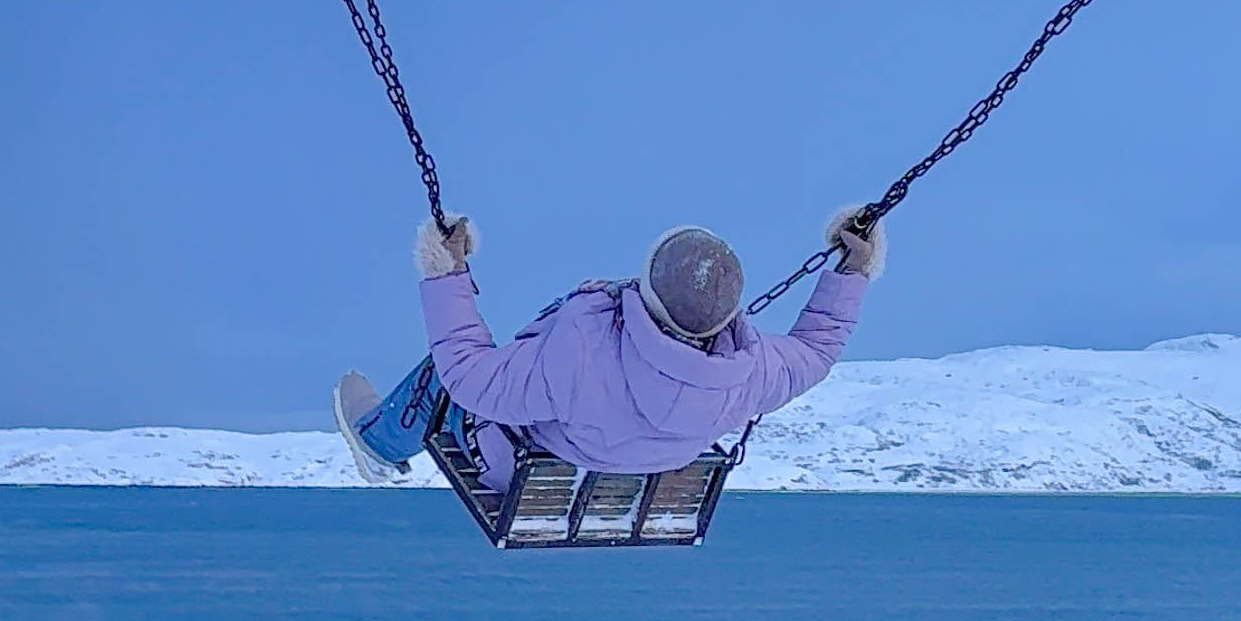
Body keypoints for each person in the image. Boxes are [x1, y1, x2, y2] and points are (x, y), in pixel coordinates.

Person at [332, 212, 884, 488]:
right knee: (487, 377)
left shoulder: (585, 350)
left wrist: (446, 273)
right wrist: (854, 268)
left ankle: (380, 444)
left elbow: (473, 381)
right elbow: (817, 349)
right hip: (621, 477)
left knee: (447, 375)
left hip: (530, 466)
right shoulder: (751, 369)